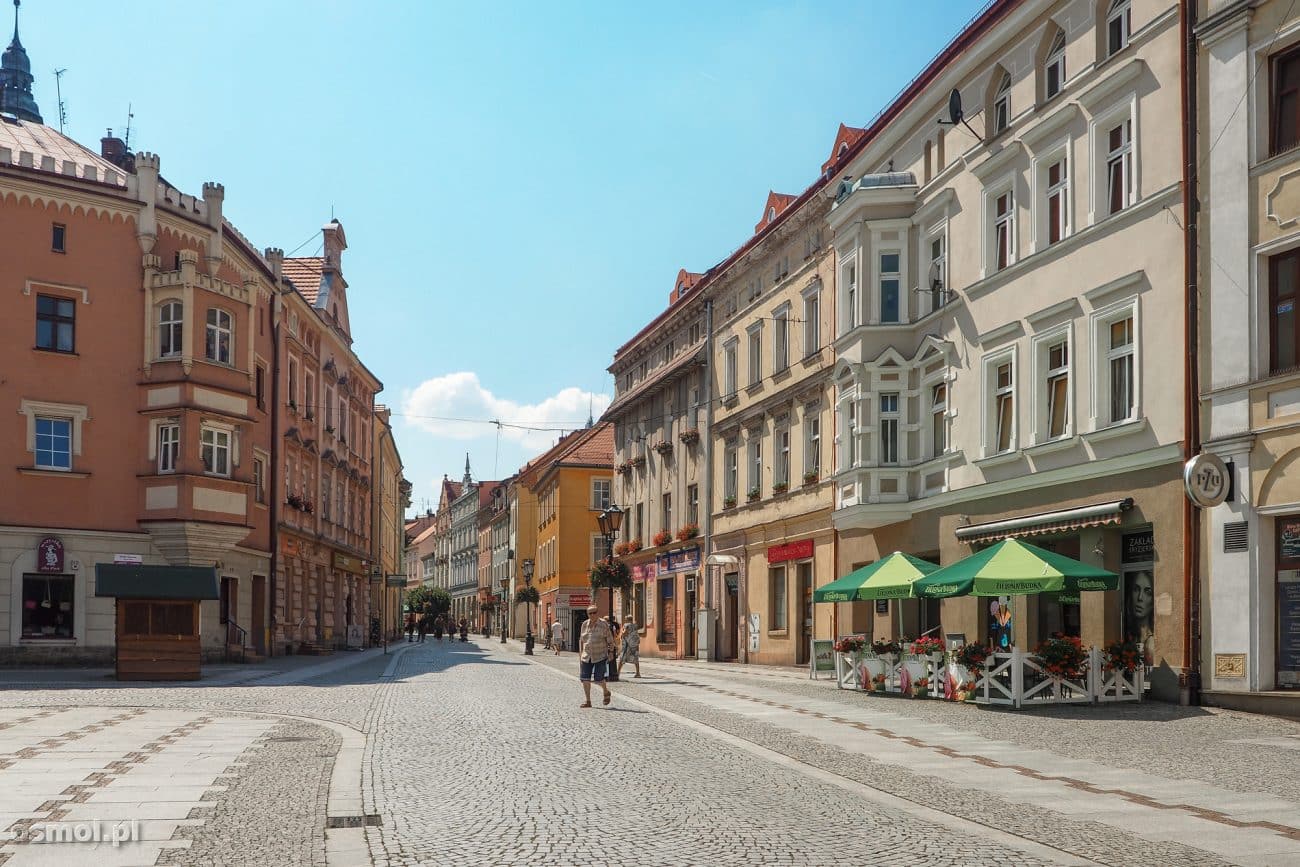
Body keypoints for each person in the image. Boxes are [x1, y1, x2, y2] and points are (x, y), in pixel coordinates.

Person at [578, 604, 613, 708]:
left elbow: (610, 639)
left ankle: (606, 691)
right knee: (585, 679)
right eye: (590, 613)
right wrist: (580, 654)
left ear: (597, 613)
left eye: (594, 612)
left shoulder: (603, 624)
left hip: (600, 655)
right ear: (587, 614)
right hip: (586, 655)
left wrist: (611, 652)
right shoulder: (584, 624)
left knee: (598, 679)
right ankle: (588, 701)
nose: (592, 615)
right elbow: (582, 640)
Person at [618, 614, 642, 678]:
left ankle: (617, 673)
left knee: (622, 658)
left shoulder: (626, 625)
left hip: (627, 644)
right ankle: (638, 673)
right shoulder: (635, 625)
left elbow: (624, 633)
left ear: (626, 619)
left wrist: (622, 632)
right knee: (635, 658)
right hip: (634, 645)